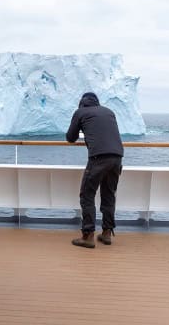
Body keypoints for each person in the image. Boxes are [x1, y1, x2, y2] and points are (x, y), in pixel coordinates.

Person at [66, 92, 124, 248]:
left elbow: (70, 138)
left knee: (87, 195)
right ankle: (106, 233)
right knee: (108, 194)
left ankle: (88, 235)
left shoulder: (80, 112)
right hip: (117, 157)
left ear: (82, 103)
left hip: (99, 158)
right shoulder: (109, 112)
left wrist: (82, 127)